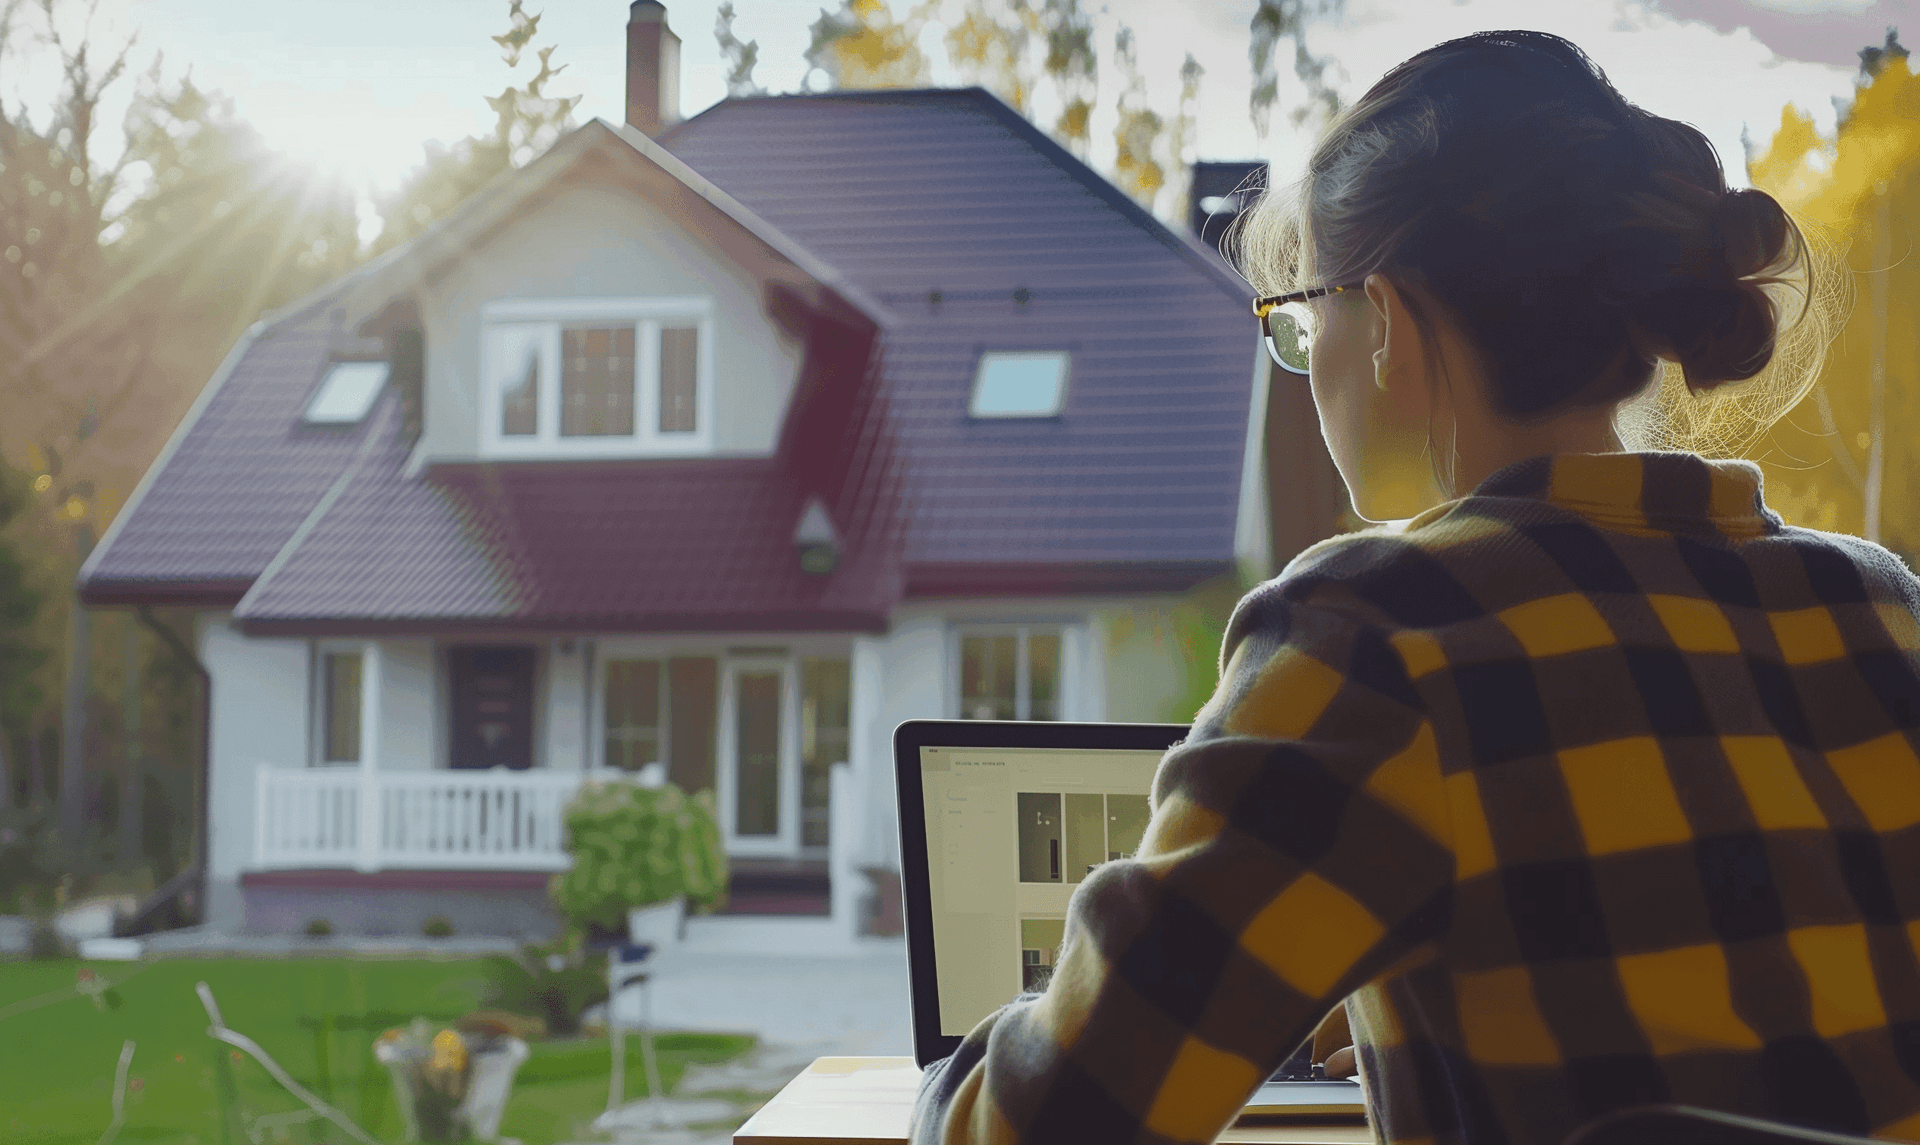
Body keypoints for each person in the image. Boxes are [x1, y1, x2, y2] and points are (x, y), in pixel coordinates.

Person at [909, 28, 1920, 1145]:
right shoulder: (1876, 609)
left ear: (1385, 321)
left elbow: (1046, 1122)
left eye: (1302, 321)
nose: (1306, 365)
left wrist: (945, 1081)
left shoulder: (1377, 633)